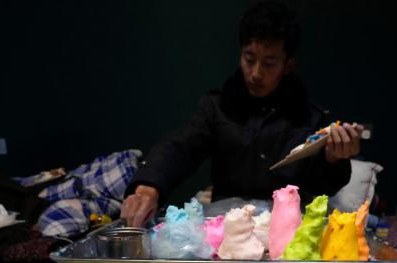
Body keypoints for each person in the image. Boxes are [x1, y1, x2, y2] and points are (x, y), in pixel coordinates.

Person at [122, 1, 364, 227]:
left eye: (269, 63)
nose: (256, 73)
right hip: (228, 229)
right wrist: (147, 187)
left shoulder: (309, 118)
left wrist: (334, 160)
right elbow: (180, 148)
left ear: (287, 65)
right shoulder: (218, 107)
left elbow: (323, 188)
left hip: (286, 231)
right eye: (249, 59)